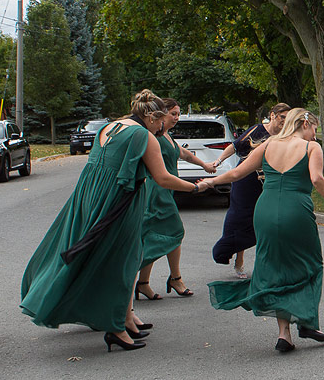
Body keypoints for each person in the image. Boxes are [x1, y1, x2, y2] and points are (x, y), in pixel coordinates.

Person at [20, 90, 201, 352]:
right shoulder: (144, 135)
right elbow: (162, 178)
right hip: (119, 203)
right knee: (122, 260)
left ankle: (125, 317)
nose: (165, 126)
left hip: (89, 197)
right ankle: (116, 328)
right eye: (164, 120)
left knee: (106, 254)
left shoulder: (109, 126)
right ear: (154, 117)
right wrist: (196, 188)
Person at [202, 108, 324, 351]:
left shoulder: (267, 144)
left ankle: (284, 334)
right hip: (296, 209)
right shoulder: (310, 148)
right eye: (314, 129)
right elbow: (317, 179)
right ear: (305, 124)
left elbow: (237, 172)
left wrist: (210, 181)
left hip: (264, 210)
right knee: (310, 263)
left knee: (274, 265)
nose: (315, 135)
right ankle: (307, 320)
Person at [135, 98, 215, 301]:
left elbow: (184, 154)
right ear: (162, 114)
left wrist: (204, 165)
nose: (177, 118)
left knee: (155, 234)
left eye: (178, 114)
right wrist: (195, 187)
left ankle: (144, 282)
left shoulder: (165, 136)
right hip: (157, 190)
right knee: (173, 231)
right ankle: (172, 277)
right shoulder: (154, 136)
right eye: (173, 114)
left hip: (166, 190)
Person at [211, 103, 289, 277]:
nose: (284, 121)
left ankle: (270, 262)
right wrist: (219, 161)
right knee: (242, 219)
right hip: (245, 180)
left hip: (268, 183)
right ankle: (238, 259)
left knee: (267, 222)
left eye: (287, 118)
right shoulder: (258, 130)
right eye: (282, 117)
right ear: (273, 115)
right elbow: (235, 146)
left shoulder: (286, 137)